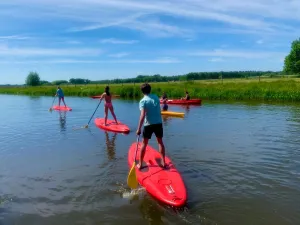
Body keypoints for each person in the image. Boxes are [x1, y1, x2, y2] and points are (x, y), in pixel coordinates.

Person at [136, 83, 166, 170]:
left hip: (148, 124)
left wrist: (138, 128)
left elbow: (142, 115)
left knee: (144, 143)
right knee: (160, 142)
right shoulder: (156, 97)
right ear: (150, 90)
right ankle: (163, 162)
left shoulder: (143, 101)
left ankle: (141, 164)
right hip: (158, 123)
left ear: (142, 91)